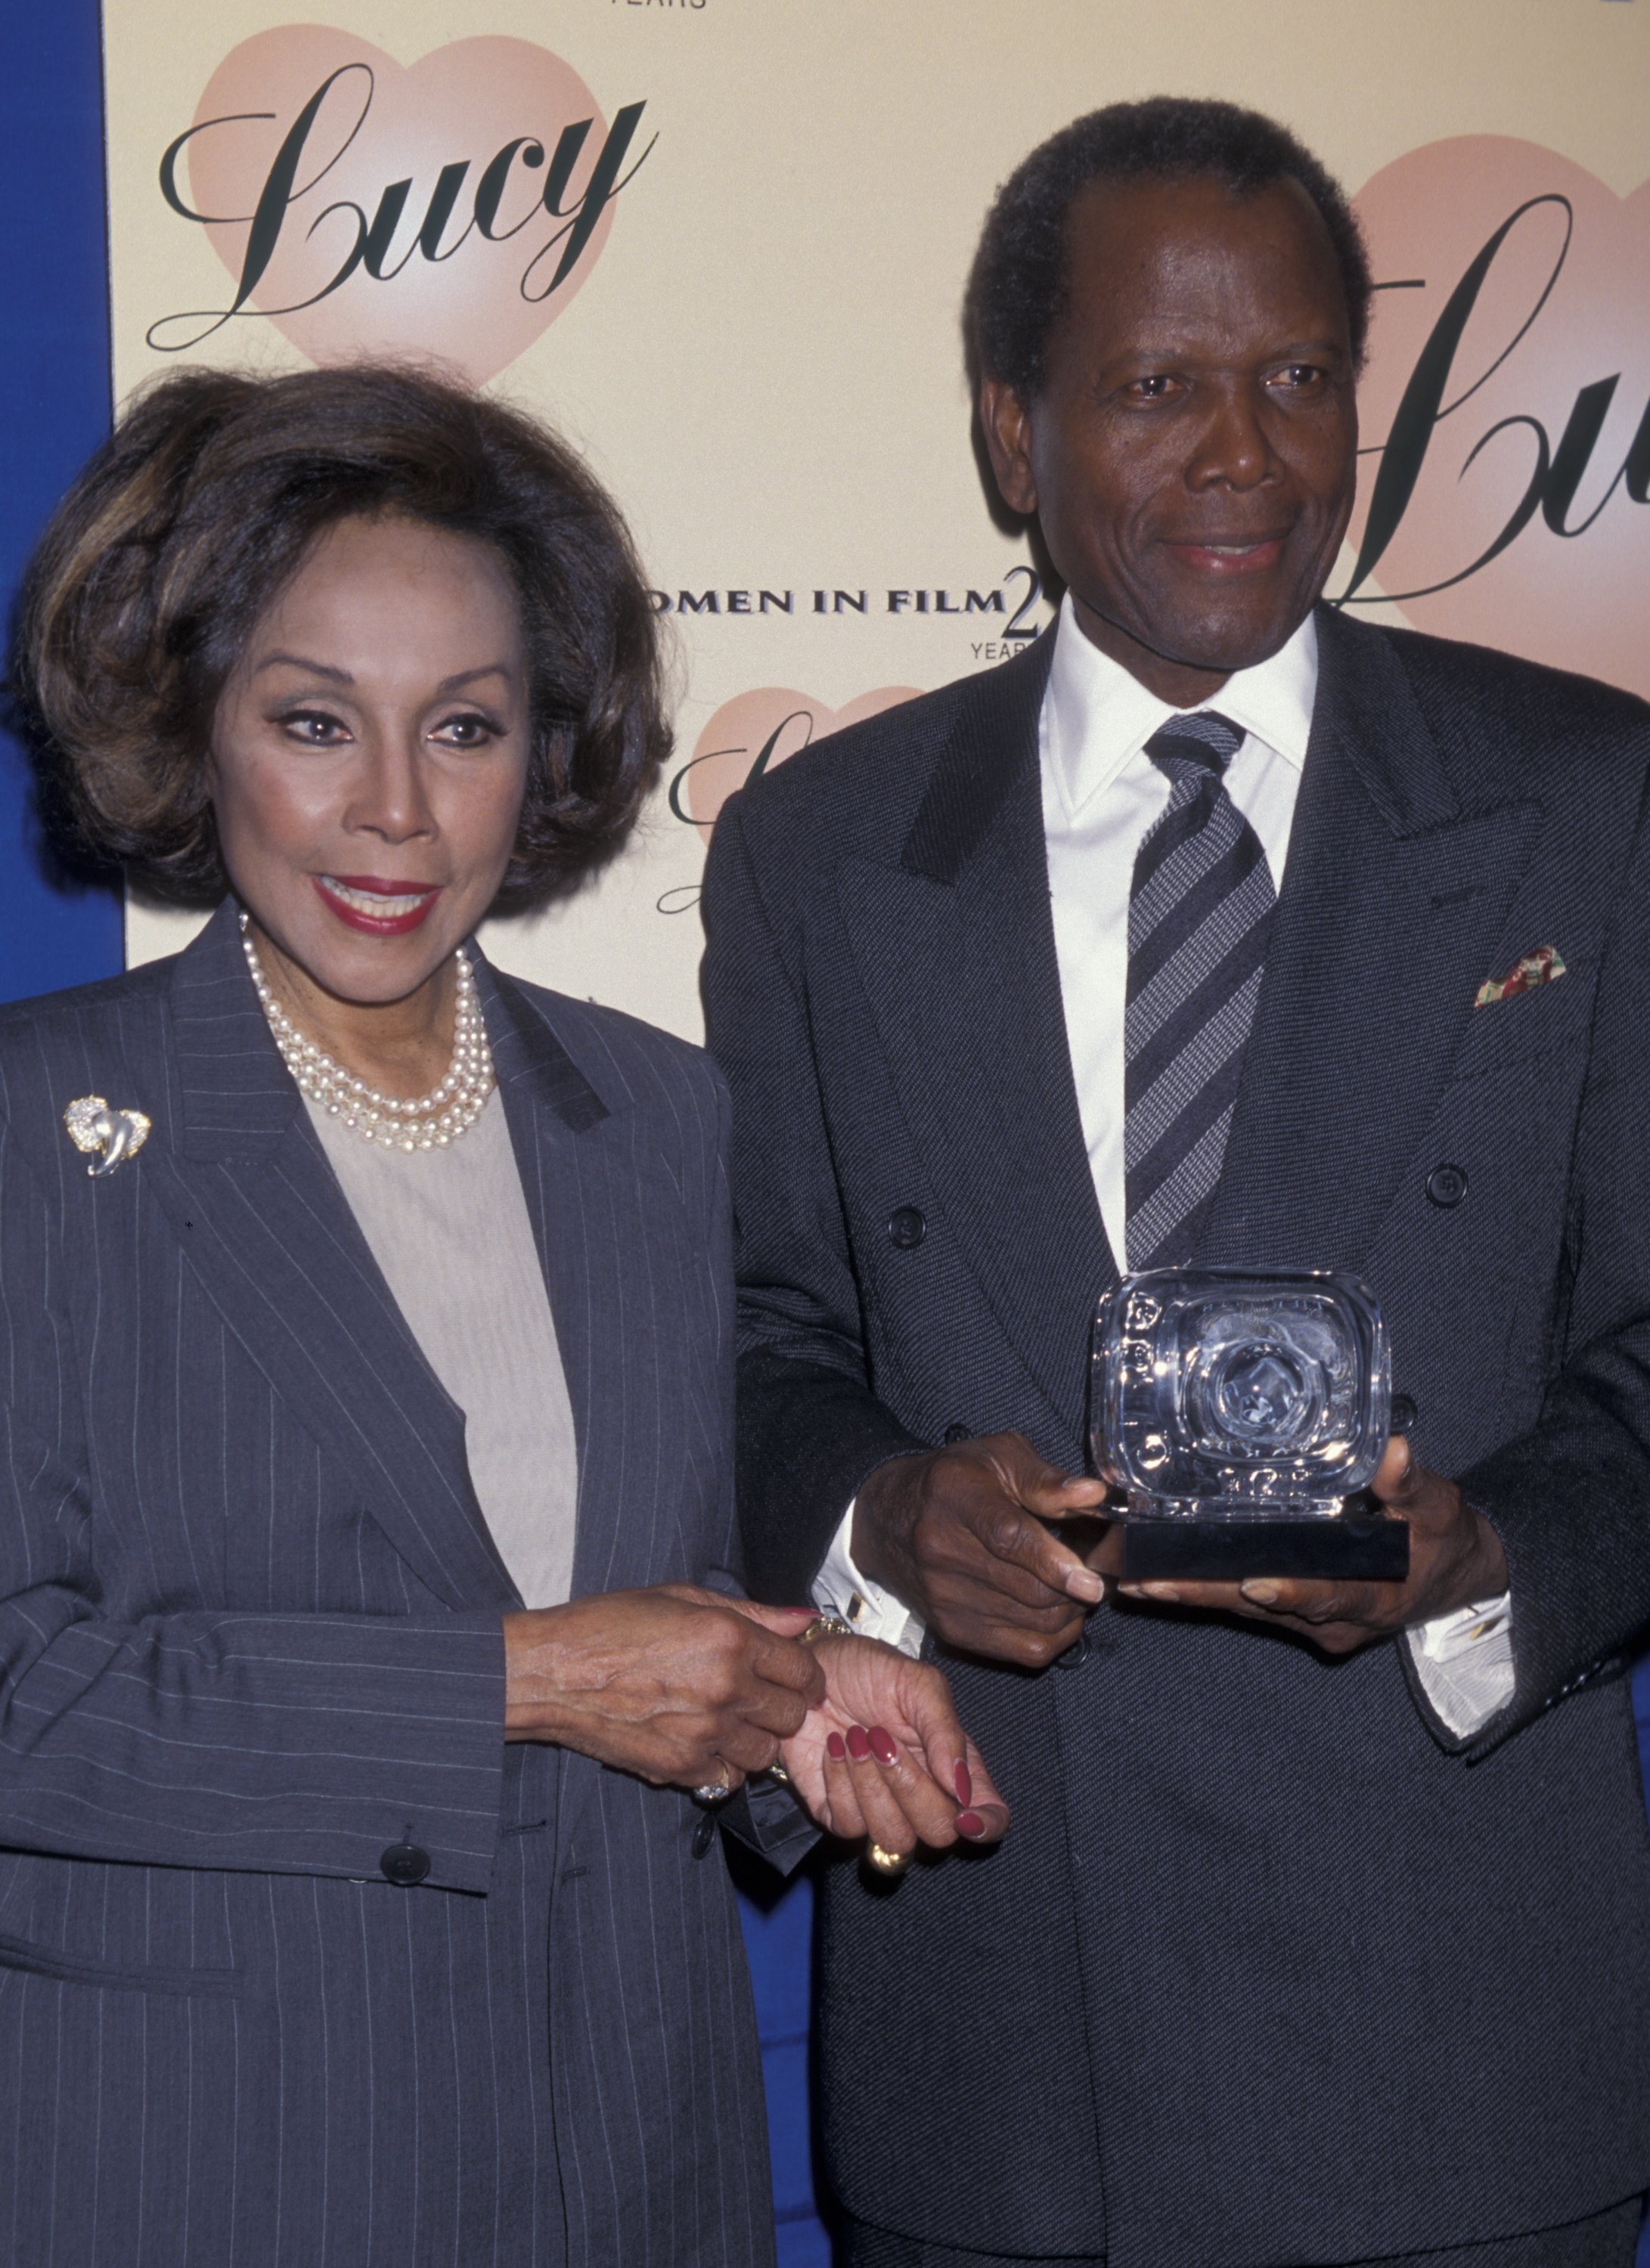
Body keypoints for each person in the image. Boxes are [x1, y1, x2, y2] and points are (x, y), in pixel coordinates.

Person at [702, 97, 1650, 2268]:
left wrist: (1481, 1554)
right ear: (1009, 436)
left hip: (1462, 2059)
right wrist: (875, 1513)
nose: (1245, 451)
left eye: (1298, 376)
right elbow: (750, 1337)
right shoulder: (820, 854)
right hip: (1008, 2058)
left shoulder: (1581, 804)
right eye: (1154, 385)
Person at [0, 362, 1006, 2267]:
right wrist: (521, 1684)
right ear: (191, 723)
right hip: (207, 2169)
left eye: (461, 728)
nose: (392, 813)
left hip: (625, 2156)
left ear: (542, 748)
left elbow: (651, 1604)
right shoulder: (37, 1135)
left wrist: (780, 1698)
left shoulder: (647, 1118)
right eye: (313, 721)